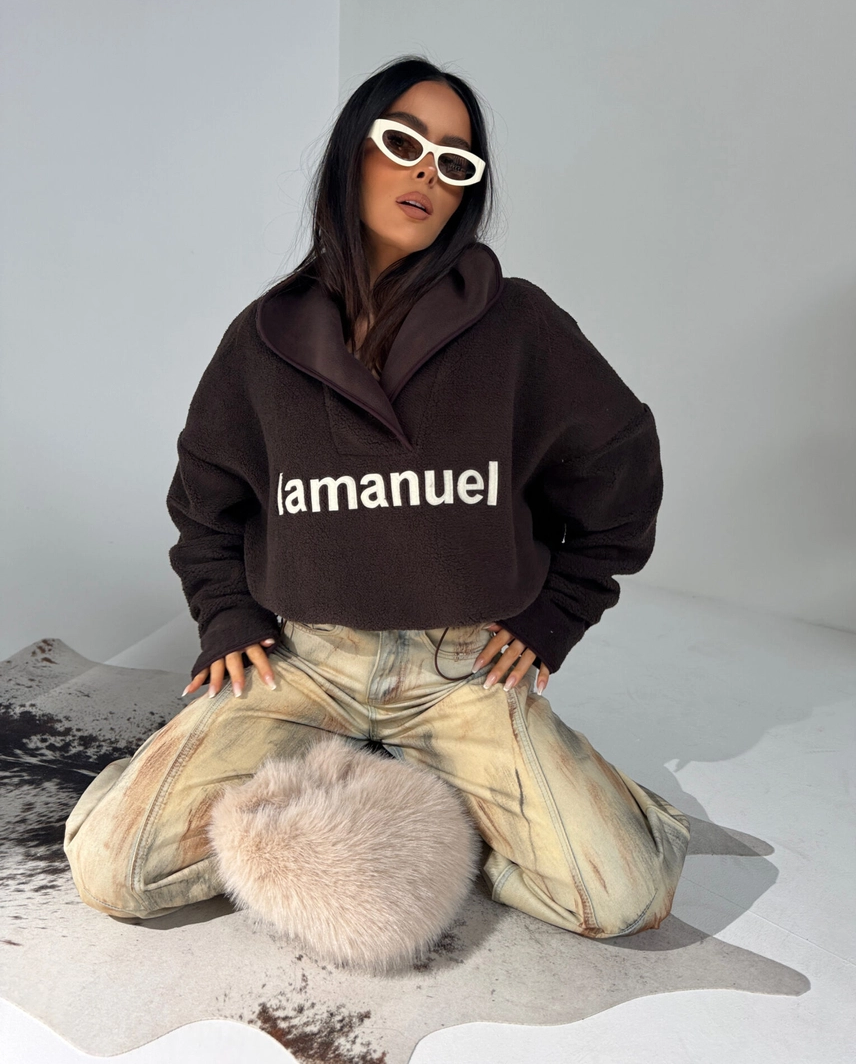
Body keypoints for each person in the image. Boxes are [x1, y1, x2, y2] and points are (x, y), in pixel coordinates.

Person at [63, 55, 690, 939]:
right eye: (403, 143)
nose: (428, 171)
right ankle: (335, 762)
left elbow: (619, 463)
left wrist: (558, 610)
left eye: (455, 161)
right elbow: (205, 504)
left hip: (460, 670)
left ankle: (477, 790)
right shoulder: (262, 340)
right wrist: (228, 617)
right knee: (112, 871)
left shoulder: (518, 325)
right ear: (352, 153)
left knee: (625, 897)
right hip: (300, 659)